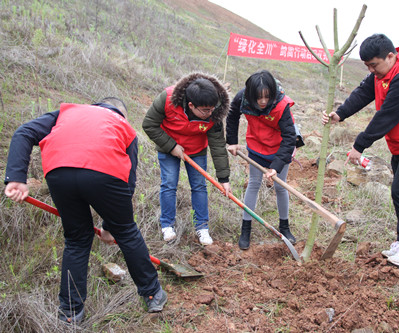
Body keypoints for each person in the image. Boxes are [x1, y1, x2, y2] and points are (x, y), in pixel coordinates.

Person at [4, 98, 167, 324]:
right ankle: (152, 294)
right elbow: (128, 182)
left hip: (58, 171)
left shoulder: (67, 112)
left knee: (77, 239)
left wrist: (16, 178)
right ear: (122, 114)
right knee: (127, 232)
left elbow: (24, 132)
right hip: (105, 172)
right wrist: (111, 228)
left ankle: (70, 312)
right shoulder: (124, 126)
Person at [322, 34, 399, 267]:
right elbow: (364, 92)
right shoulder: (382, 71)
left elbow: (386, 117)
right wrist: (341, 113)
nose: (371, 71)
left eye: (374, 65)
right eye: (367, 66)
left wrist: (359, 146)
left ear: (390, 56)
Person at [142, 72, 231, 246]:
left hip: (196, 149)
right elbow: (149, 124)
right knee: (169, 183)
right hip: (169, 145)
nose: (210, 113)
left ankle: (202, 227)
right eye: (205, 110)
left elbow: (218, 146)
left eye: (212, 109)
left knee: (199, 185)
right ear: (191, 105)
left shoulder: (215, 110)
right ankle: (167, 225)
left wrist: (224, 178)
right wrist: (171, 146)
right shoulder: (167, 99)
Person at [226, 70, 297, 250]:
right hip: (256, 146)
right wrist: (232, 142)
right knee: (254, 183)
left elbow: (290, 138)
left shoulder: (282, 105)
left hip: (280, 148)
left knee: (281, 187)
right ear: (251, 95)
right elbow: (232, 115)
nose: (263, 101)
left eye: (267, 97)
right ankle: (246, 229)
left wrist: (276, 166)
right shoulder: (242, 98)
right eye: (259, 97)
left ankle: (285, 227)